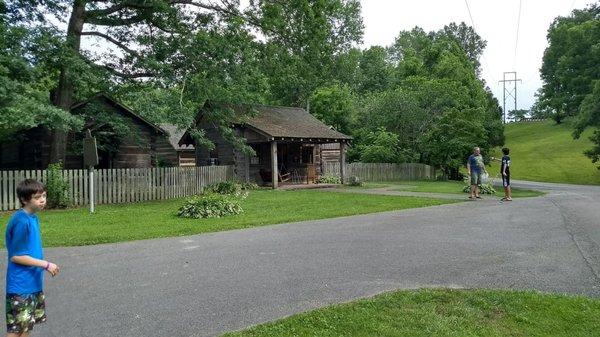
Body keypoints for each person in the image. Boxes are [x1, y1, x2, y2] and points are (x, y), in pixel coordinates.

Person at [5, 179, 59, 337]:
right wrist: (46, 264)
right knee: (16, 331)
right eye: (37, 197)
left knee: (25, 328)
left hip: (32, 284)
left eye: (44, 195)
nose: (42, 200)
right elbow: (16, 256)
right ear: (24, 199)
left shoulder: (32, 217)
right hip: (20, 286)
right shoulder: (22, 221)